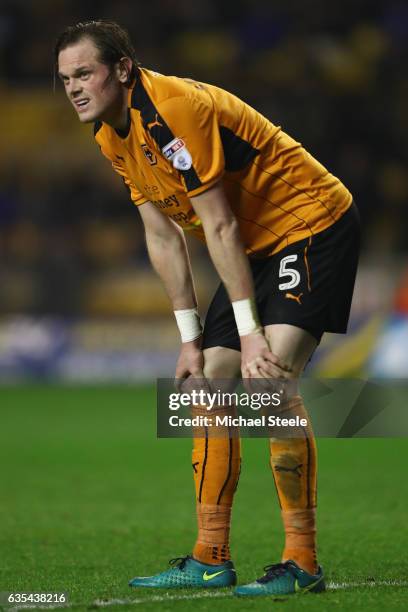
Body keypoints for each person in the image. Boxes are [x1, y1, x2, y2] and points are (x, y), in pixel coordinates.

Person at [55, 20, 360, 597]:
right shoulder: (109, 135)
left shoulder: (173, 108)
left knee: (268, 381)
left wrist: (250, 333)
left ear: (122, 68)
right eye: (65, 77)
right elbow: (163, 237)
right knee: (208, 382)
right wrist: (191, 338)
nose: (73, 87)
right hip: (253, 245)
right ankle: (210, 555)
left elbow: (215, 222)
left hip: (310, 224)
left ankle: (303, 561)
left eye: (84, 73)